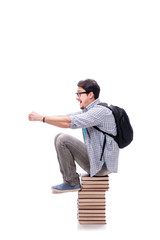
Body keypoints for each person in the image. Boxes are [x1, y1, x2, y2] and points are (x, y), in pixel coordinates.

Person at [28, 79, 119, 193]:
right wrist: (42, 118)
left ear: (90, 95)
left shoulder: (100, 112)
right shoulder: (89, 111)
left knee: (62, 139)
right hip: (97, 161)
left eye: (80, 93)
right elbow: (65, 117)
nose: (77, 97)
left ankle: (71, 182)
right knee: (59, 136)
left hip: (102, 166)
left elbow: (68, 122)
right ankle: (70, 181)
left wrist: (42, 118)